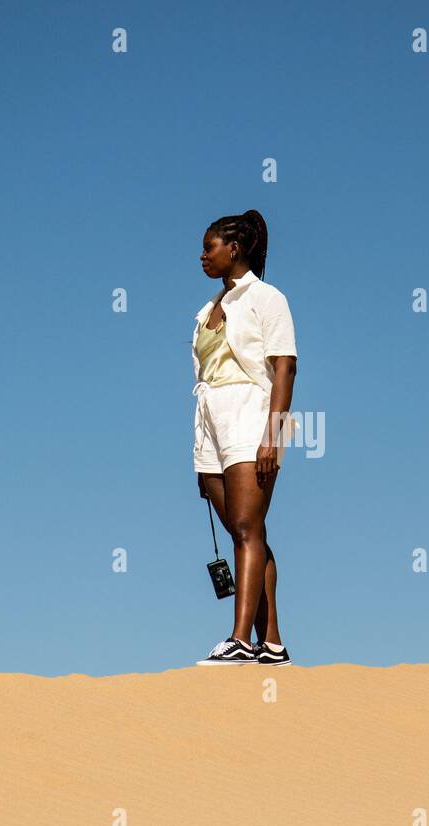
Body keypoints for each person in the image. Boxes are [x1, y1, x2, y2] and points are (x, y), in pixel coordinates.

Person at [192, 210, 298, 666]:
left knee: (246, 529)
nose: (202, 256)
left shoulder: (267, 298)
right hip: (209, 419)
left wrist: (273, 435)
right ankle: (270, 642)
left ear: (233, 249)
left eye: (209, 247)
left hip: (250, 415)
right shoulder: (206, 309)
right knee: (245, 529)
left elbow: (285, 367)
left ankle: (240, 640)